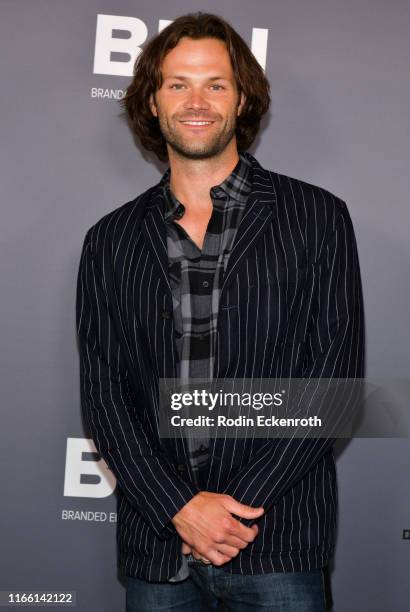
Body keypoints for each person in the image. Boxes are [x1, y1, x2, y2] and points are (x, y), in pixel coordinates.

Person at [76, 12, 365, 612]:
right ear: (152, 104)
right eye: (177, 83)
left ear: (242, 100)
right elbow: (105, 397)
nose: (196, 101)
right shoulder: (109, 239)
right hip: (158, 549)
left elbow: (333, 386)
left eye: (215, 84)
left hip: (276, 538)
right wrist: (181, 509)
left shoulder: (317, 218)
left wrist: (230, 511)